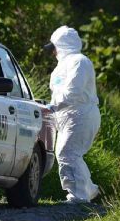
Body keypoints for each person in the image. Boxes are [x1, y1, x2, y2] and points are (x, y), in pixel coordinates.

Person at [43, 26, 101, 204]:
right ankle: (88, 190)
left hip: (81, 114)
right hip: (66, 116)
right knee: (69, 154)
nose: (52, 51)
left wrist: (53, 106)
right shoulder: (62, 65)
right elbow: (59, 93)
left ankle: (79, 197)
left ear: (61, 44)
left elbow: (73, 91)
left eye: (54, 46)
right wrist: (51, 108)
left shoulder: (80, 62)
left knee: (67, 153)